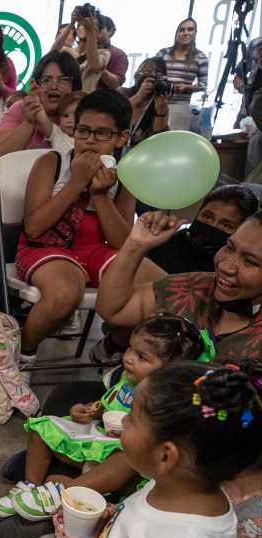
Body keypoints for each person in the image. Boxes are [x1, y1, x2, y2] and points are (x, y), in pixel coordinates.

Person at [0, 314, 207, 521]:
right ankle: (30, 486)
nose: (128, 358)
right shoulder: (125, 377)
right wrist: (88, 410)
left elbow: (163, 440)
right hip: (99, 439)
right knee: (42, 428)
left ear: (170, 371)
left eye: (142, 357)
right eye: (130, 348)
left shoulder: (168, 399)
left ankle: (63, 494)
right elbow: (106, 402)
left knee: (125, 458)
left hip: (124, 457)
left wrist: (131, 431)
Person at [14, 89, 165, 367]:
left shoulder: (124, 174)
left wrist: (99, 196)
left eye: (102, 134)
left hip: (95, 249)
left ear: (122, 137)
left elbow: (122, 243)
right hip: (45, 248)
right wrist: (76, 183)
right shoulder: (53, 162)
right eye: (83, 131)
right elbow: (34, 228)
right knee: (64, 294)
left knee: (166, 291)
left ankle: (115, 343)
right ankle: (23, 356)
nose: (90, 141)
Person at [53, 360, 262, 538]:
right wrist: (105, 528)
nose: (124, 421)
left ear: (165, 457)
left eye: (133, 417)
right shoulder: (176, 485)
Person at [95, 210, 262, 360]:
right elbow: (114, 310)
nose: (226, 266)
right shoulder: (194, 287)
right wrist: (136, 246)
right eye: (230, 247)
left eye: (249, 261)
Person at [0, 50, 82, 162]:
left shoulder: (84, 115)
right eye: (46, 80)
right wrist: (29, 122)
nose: (54, 86)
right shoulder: (20, 108)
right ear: (36, 85)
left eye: (63, 80)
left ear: (75, 86)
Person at [147, 185, 259, 274]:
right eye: (207, 217)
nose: (211, 228)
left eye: (225, 225)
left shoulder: (231, 270)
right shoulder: (163, 243)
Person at [155, 18, 208, 131]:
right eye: (182, 30)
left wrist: (186, 87)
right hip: (157, 104)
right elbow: (151, 74)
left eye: (190, 29)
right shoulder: (163, 53)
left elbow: (203, 85)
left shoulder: (200, 57)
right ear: (176, 33)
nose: (186, 33)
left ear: (195, 33)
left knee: (174, 143)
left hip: (180, 107)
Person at [117, 57, 171, 152]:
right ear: (136, 76)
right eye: (146, 73)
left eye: (157, 75)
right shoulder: (122, 93)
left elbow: (158, 139)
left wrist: (161, 112)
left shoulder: (158, 102)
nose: (151, 78)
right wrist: (139, 96)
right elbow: (111, 114)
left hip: (142, 155)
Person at [52, 7, 110, 93]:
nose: (85, 27)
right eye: (82, 24)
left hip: (84, 102)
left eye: (93, 25)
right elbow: (52, 53)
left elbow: (94, 66)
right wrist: (72, 23)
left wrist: (91, 32)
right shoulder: (66, 51)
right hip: (64, 99)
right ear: (77, 30)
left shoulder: (103, 53)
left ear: (98, 32)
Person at [96, 16, 128, 90]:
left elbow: (116, 84)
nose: (95, 31)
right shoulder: (78, 50)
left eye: (99, 27)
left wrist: (98, 66)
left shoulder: (118, 54)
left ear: (110, 30)